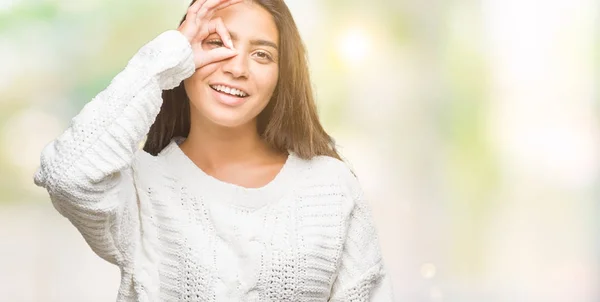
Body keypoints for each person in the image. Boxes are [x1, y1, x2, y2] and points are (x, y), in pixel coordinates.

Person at [33, 0, 394, 301]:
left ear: (282, 76)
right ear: (184, 59)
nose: (237, 68)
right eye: (217, 43)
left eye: (262, 54)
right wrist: (164, 59)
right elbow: (67, 176)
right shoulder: (141, 189)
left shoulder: (329, 188)